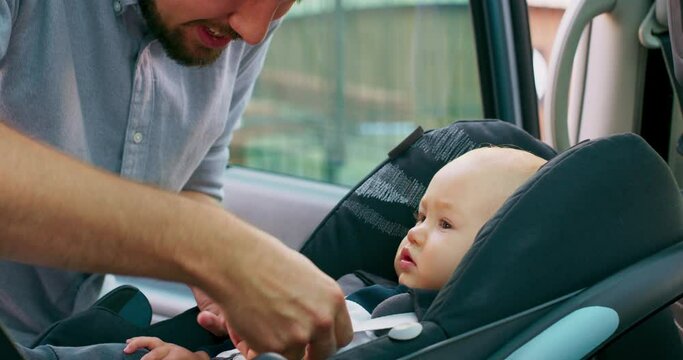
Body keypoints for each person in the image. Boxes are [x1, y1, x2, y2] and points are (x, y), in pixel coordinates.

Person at [0, 1, 352, 359]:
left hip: (74, 332)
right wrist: (218, 253)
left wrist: (227, 283)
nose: (253, 31)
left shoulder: (238, 25)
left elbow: (195, 185)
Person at [119, 147, 548, 359]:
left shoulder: (418, 337)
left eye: (445, 225)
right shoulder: (365, 293)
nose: (415, 234)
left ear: (497, 252)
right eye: (419, 217)